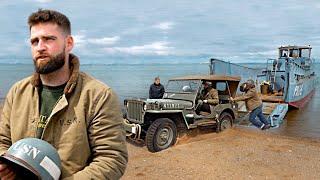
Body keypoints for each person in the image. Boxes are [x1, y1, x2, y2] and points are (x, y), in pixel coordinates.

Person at [0, 9, 128, 179]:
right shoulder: (18, 92)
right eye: (34, 41)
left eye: (48, 39)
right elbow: (3, 140)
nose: (40, 47)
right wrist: (5, 165)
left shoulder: (98, 96)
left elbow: (112, 159)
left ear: (68, 43)